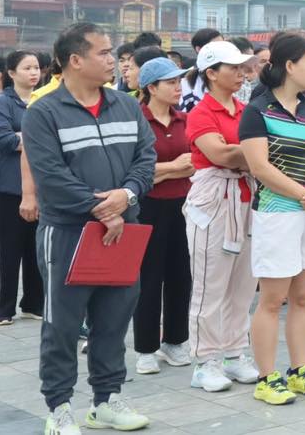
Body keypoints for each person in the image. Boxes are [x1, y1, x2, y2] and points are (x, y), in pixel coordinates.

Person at [22, 23, 155, 433]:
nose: (113, 60)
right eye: (104, 52)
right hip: (68, 233)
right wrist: (101, 208)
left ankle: (107, 400)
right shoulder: (43, 112)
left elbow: (145, 158)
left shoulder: (126, 105)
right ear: (75, 60)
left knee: (114, 319)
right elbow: (50, 175)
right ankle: (59, 407)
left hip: (122, 231)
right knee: (62, 325)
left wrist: (126, 197)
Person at [241, 34, 305, 405]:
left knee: (303, 296)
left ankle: (300, 371)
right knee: (272, 299)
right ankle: (267, 378)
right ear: (289, 65)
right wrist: (304, 194)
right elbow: (260, 167)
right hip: (277, 214)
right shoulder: (258, 110)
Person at [183, 38, 258, 393]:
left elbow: (236, 153)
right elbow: (220, 155)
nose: (241, 73)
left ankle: (234, 352)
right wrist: (256, 150)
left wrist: (245, 152)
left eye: (243, 67)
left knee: (243, 283)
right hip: (213, 200)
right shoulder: (201, 113)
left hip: (244, 197)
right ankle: (205, 360)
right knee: (210, 284)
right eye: (234, 67)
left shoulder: (244, 111)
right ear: (211, 73)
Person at [131, 56, 196, 375]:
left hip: (183, 205)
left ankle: (175, 340)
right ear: (151, 88)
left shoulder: (185, 120)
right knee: (148, 277)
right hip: (147, 206)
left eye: (179, 81)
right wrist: (173, 168)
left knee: (181, 276)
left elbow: (195, 163)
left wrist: (162, 171)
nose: (178, 87)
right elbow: (132, 170)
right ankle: (145, 348)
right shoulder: (136, 121)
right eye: (171, 82)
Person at [0, 50, 43, 325]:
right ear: (11, 73)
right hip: (9, 188)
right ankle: (4, 308)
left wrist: (24, 138)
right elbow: (3, 139)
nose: (34, 73)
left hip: (41, 188)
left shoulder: (43, 100)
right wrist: (36, 140)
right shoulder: (1, 104)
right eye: (27, 68)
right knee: (8, 251)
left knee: (37, 250)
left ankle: (33, 304)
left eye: (36, 68)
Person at [179, 28, 224, 112]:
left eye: (223, 46)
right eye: (215, 47)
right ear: (199, 49)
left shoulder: (229, 75)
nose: (221, 50)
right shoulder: (185, 79)